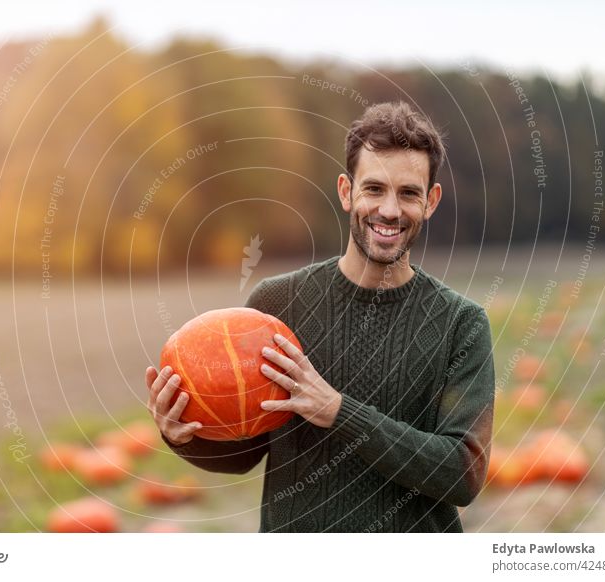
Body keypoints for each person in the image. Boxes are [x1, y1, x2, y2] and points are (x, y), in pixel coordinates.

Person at [145, 101, 495, 532]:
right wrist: (185, 436)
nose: (389, 210)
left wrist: (338, 410)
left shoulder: (462, 324)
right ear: (347, 192)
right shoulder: (275, 306)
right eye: (374, 189)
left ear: (431, 201)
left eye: (408, 193)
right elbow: (246, 453)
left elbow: (463, 474)